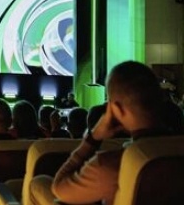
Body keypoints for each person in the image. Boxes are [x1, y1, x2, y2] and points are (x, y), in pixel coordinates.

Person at [50, 61, 173, 205]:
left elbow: (59, 188)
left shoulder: (110, 165)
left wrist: (93, 138)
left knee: (39, 183)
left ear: (116, 109)